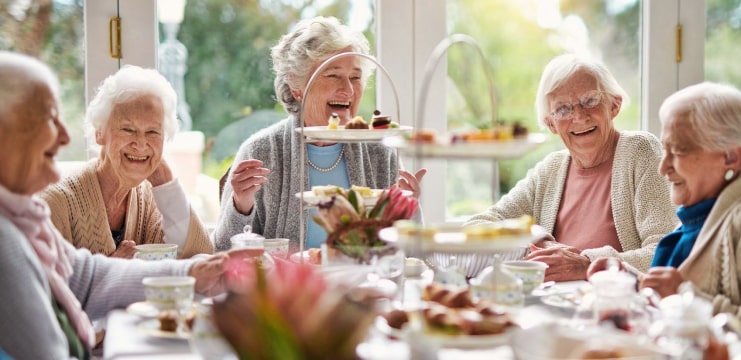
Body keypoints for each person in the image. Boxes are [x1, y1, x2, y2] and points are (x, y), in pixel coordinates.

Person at [0, 51, 261, 360]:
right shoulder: (14, 235)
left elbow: (84, 276)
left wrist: (194, 271)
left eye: (153, 132)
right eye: (48, 117)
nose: (64, 135)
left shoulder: (25, 219)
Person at [589, 82, 741, 346]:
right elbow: (678, 290)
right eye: (665, 150)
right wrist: (633, 282)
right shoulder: (706, 210)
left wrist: (686, 296)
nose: (663, 168)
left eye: (678, 151)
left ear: (731, 157)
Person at [213, 16, 425, 252]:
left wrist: (408, 209)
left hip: (364, 284)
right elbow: (223, 252)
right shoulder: (261, 151)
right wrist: (241, 206)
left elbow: (412, 252)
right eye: (333, 75)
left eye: (355, 77)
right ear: (296, 85)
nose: (348, 89)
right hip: (292, 288)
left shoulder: (380, 150)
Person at [465, 54, 678, 282]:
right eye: (563, 109)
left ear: (614, 105)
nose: (579, 116)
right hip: (555, 307)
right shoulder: (551, 170)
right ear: (551, 124)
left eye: (590, 100)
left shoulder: (639, 151)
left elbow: (665, 252)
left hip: (616, 306)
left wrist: (587, 263)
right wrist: (539, 240)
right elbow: (476, 226)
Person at [39, 65, 213, 259]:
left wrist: (167, 186)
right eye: (127, 129)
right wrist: (112, 271)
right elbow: (45, 286)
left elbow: (199, 255)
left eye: (153, 132)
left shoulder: (149, 197)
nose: (140, 143)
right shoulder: (55, 204)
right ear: (100, 133)